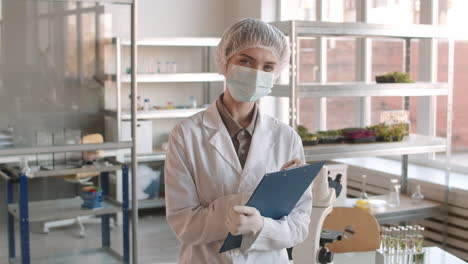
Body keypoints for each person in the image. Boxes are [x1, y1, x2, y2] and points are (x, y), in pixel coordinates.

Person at [165, 18, 312, 264]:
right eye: (246, 61)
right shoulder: (186, 135)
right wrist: (239, 207)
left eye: (268, 67)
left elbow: (300, 223)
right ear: (225, 63)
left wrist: (261, 226)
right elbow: (183, 224)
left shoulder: (287, 139)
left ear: (276, 73)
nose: (256, 73)